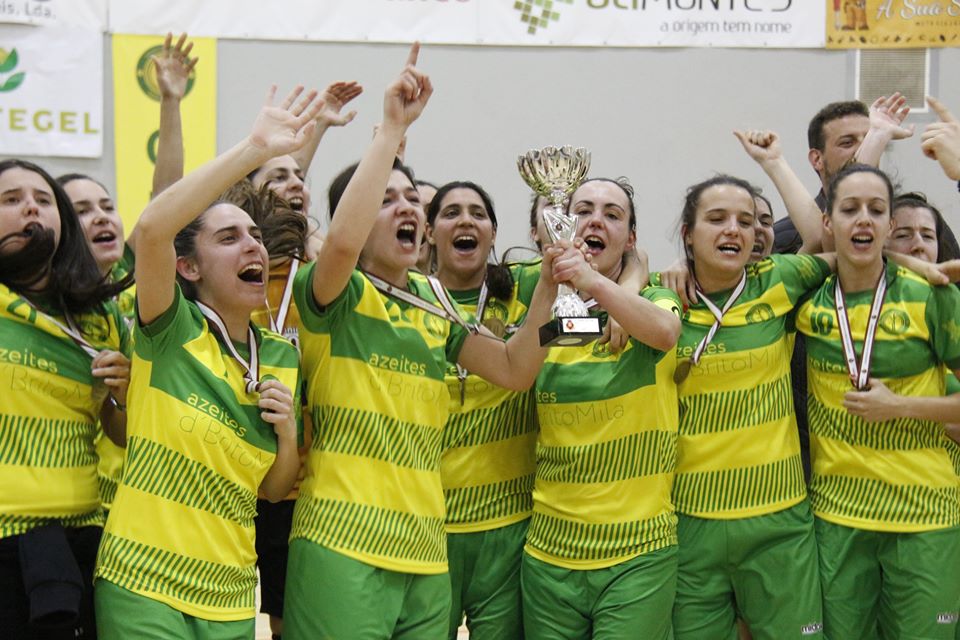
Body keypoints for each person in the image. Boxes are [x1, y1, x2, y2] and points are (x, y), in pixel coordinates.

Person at [283, 44, 566, 640]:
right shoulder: (333, 291)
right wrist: (390, 129)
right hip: (342, 538)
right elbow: (338, 245)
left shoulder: (433, 303)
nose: (407, 206)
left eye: (413, 198)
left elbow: (515, 368)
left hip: (425, 546)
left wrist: (549, 288)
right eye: (387, 199)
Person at [92, 84, 320, 638]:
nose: (253, 247)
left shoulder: (282, 355)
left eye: (255, 237)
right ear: (188, 268)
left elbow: (272, 488)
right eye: (228, 238)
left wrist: (288, 435)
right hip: (142, 581)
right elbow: (150, 230)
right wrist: (254, 149)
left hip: (232, 594)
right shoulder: (169, 329)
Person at [654, 175, 833, 639]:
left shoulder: (779, 278)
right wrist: (641, 266)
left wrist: (773, 161)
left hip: (778, 517)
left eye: (746, 221)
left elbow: (840, 246)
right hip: (691, 519)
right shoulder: (659, 299)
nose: (733, 229)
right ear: (688, 234)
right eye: (717, 219)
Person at [796, 163, 960, 638]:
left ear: (890, 225)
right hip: (838, 517)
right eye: (849, 209)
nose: (863, 219)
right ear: (829, 223)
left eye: (876, 209)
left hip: (924, 513)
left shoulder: (933, 297)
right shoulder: (807, 300)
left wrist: (903, 407)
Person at [521, 177, 683, 640]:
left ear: (630, 239)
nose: (596, 219)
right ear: (559, 225)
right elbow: (523, 351)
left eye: (613, 214)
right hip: (549, 553)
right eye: (584, 209)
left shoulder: (652, 302)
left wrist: (607, 286)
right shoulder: (538, 304)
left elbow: (666, 333)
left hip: (637, 553)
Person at [57, 32, 198, 516]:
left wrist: (170, 101)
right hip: (74, 494)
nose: (101, 217)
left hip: (138, 493)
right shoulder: (42, 296)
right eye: (81, 210)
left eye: (106, 206)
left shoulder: (130, 273)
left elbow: (166, 200)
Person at [0, 159, 131, 640]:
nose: (29, 207)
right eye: (10, 200)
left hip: (83, 534)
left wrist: (120, 395)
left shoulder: (98, 316)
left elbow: (120, 434)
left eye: (42, 199)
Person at [425, 180, 539, 639]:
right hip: (430, 526)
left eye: (478, 213)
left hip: (510, 528)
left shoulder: (527, 288)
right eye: (451, 213)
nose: (466, 221)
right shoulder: (413, 299)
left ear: (493, 232)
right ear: (430, 233)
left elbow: (589, 308)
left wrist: (639, 267)